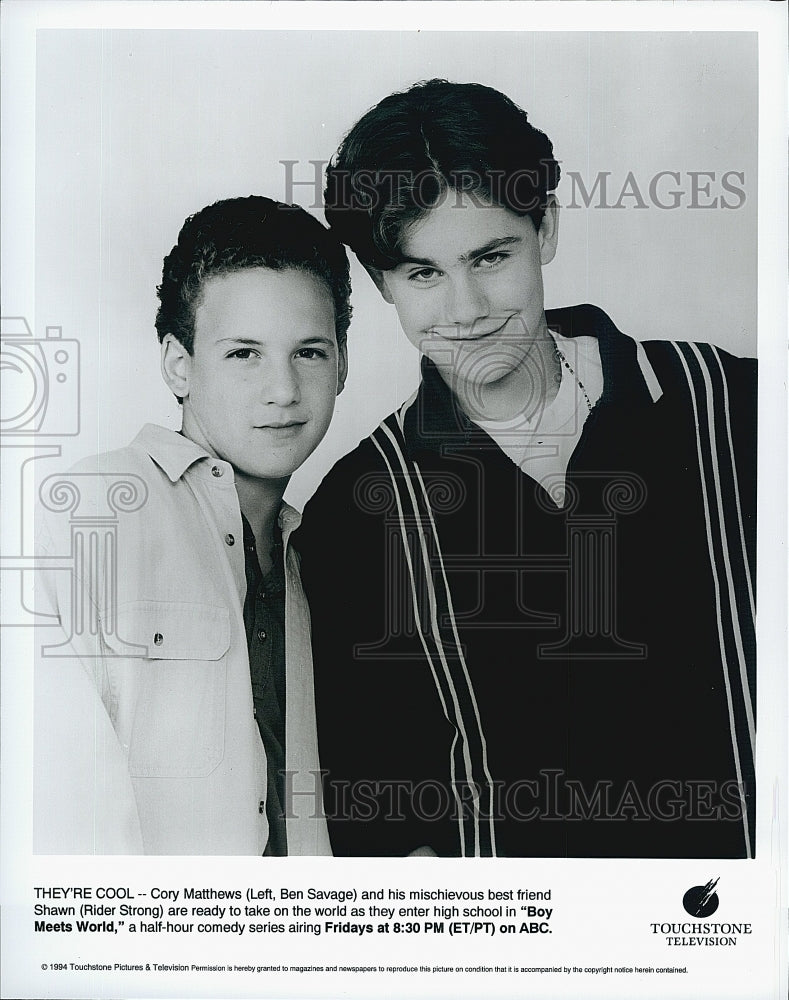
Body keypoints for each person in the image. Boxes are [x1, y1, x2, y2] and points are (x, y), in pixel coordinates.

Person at [298, 80, 756, 858]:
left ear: (544, 229)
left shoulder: (734, 407)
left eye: (491, 256)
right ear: (380, 284)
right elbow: (382, 828)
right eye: (423, 274)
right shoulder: (354, 516)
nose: (467, 307)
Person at [33, 195, 350, 855]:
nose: (284, 390)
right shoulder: (88, 511)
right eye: (243, 354)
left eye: (309, 353)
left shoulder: (322, 553)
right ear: (179, 365)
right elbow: (52, 797)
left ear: (343, 363)